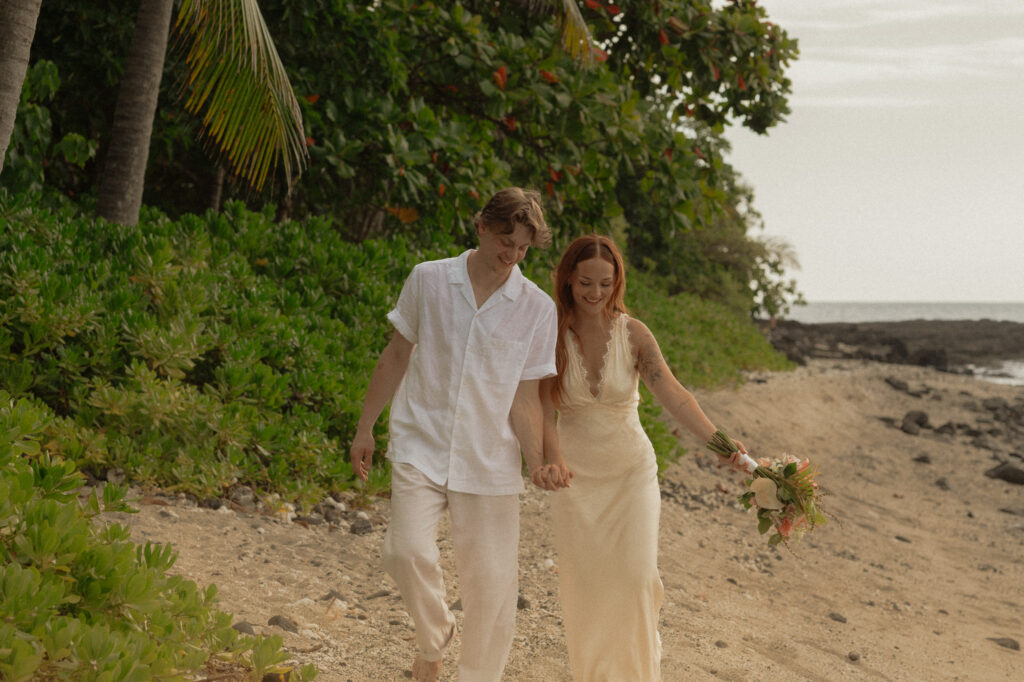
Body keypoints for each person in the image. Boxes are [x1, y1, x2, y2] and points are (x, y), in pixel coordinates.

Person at [349, 188, 573, 682]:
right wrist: (365, 427)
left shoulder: (536, 308)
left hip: (489, 458)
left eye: (523, 249)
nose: (512, 256)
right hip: (419, 442)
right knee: (403, 550)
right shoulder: (428, 279)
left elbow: (525, 397)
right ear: (482, 227)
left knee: (492, 589)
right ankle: (434, 640)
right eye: (505, 242)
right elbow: (396, 355)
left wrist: (537, 460)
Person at [540, 234, 746, 681]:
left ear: (617, 283)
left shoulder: (633, 333)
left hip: (631, 473)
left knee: (634, 580)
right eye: (585, 283)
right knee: (587, 588)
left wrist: (721, 444)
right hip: (575, 481)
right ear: (569, 279)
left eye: (605, 284)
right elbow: (538, 404)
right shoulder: (549, 331)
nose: (595, 294)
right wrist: (550, 457)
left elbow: (672, 393)